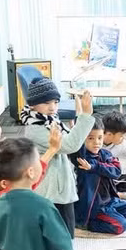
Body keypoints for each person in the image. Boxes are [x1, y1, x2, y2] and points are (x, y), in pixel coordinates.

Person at [0, 123, 63, 250]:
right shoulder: (2, 202)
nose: (32, 170)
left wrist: (52, 149)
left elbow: (37, 172)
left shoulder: (15, 188)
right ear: (4, 183)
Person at [24, 80, 96, 236]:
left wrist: (81, 116)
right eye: (46, 103)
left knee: (64, 233)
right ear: (32, 105)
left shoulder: (49, 120)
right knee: (59, 235)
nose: (52, 107)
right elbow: (70, 145)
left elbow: (70, 139)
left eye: (55, 102)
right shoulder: (35, 128)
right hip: (50, 190)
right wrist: (85, 115)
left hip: (58, 185)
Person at [73, 117, 126, 235]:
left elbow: (116, 171)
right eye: (90, 138)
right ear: (82, 139)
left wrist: (94, 167)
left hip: (110, 201)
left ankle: (110, 214)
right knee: (121, 225)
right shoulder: (81, 157)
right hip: (95, 206)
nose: (96, 142)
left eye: (100, 138)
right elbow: (77, 134)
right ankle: (87, 224)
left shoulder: (106, 154)